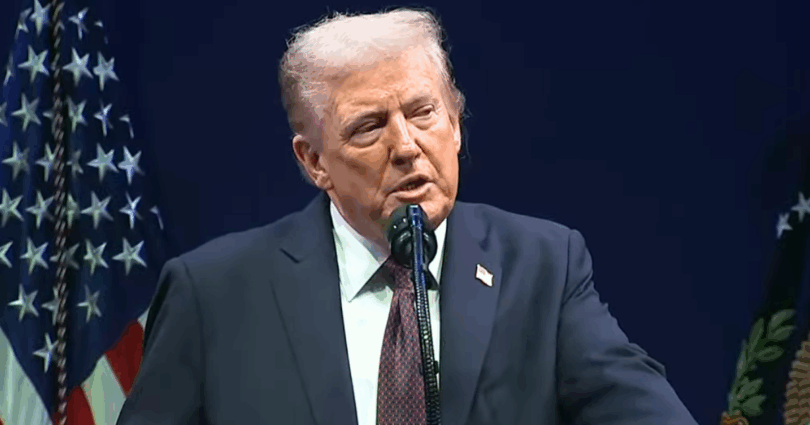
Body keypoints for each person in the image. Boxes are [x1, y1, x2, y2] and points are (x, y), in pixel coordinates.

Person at [117, 7, 697, 425]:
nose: (406, 146)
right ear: (314, 161)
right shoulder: (215, 294)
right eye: (369, 126)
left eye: (423, 113)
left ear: (456, 126)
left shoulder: (543, 266)